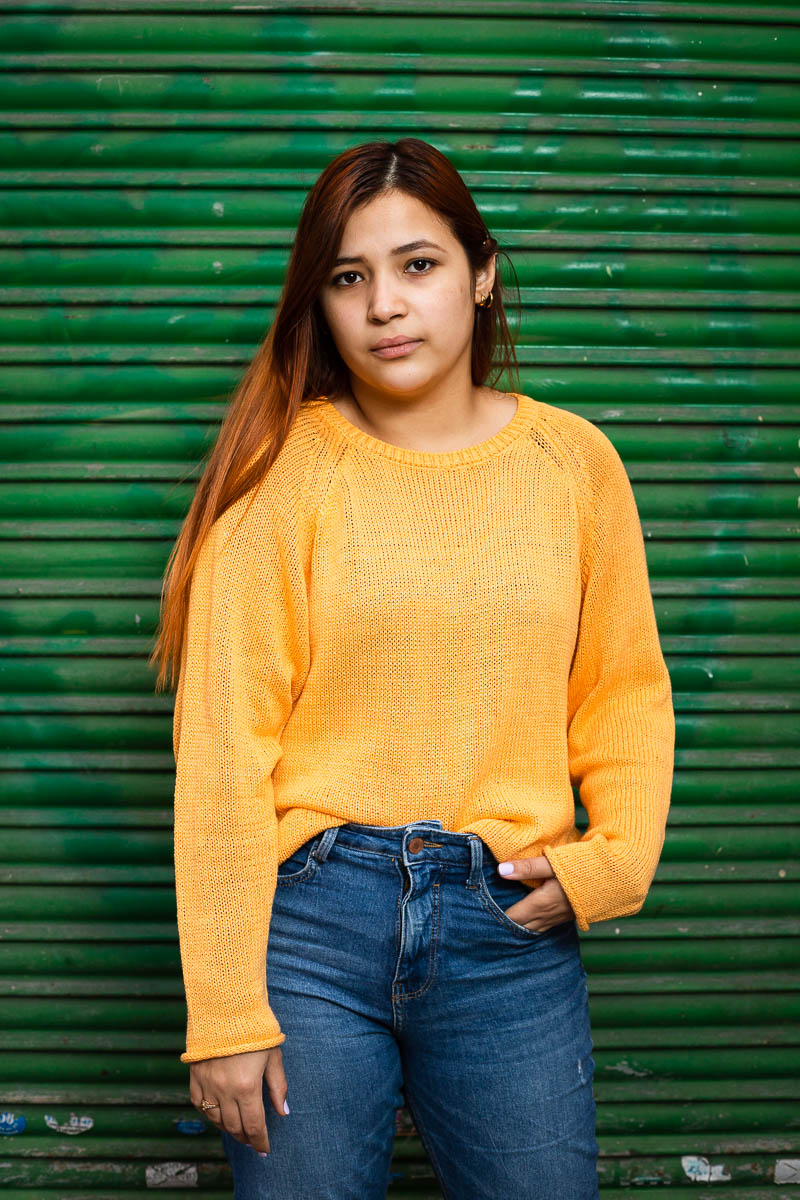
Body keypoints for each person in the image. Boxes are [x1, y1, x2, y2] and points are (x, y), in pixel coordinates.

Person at [149, 137, 675, 1199]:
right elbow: (221, 750)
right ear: (321, 302)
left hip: (505, 923)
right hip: (304, 933)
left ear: (480, 275)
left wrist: (609, 864)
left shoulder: (572, 464)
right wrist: (223, 1010)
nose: (385, 304)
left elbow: (621, 687)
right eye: (349, 278)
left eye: (417, 265)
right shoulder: (283, 473)